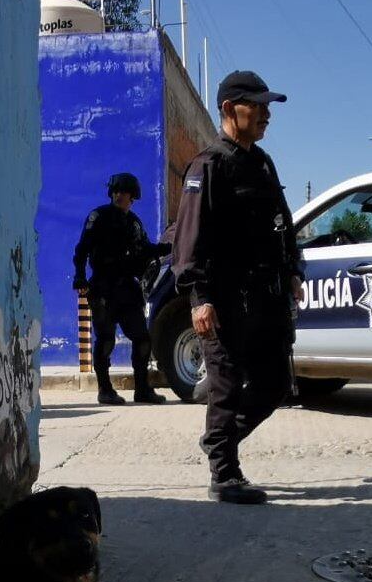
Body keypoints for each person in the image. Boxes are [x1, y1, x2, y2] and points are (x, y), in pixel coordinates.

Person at [171, 70, 302, 505]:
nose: (267, 115)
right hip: (224, 298)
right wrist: (199, 297)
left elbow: (282, 221)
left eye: (268, 107)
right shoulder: (208, 165)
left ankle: (218, 441)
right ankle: (224, 475)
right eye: (259, 106)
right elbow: (189, 239)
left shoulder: (262, 163)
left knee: (276, 382)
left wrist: (293, 269)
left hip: (266, 297)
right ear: (230, 109)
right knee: (225, 384)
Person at [72, 172, 171, 406]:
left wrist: (169, 248)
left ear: (132, 196)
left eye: (123, 192)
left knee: (143, 339)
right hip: (103, 287)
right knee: (105, 339)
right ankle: (105, 390)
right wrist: (80, 277)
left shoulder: (134, 223)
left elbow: (146, 249)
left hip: (127, 288)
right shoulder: (99, 217)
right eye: (115, 191)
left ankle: (142, 389)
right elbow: (81, 250)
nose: (118, 195)